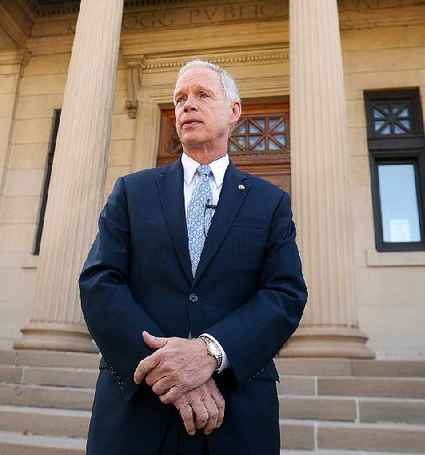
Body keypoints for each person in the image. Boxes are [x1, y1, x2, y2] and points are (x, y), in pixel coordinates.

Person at [79, 59, 307, 454]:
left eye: (202, 95)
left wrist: (210, 353)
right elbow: (100, 281)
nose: (187, 105)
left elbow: (284, 294)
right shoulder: (132, 192)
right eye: (180, 98)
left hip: (234, 411)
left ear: (234, 110)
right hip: (136, 410)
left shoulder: (270, 203)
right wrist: (168, 370)